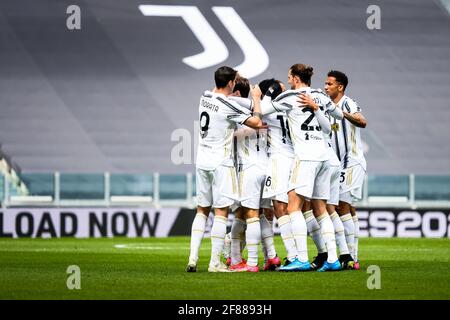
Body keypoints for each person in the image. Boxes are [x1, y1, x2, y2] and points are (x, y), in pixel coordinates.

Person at [186, 66, 266, 272]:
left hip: (201, 160)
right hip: (221, 162)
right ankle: (214, 263)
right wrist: (256, 98)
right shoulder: (227, 105)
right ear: (231, 84)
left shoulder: (205, 97)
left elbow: (218, 88)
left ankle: (193, 258)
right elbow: (257, 122)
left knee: (201, 210)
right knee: (220, 213)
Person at [262, 64, 342, 272]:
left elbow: (261, 111)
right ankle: (333, 259)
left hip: (306, 157)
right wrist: (317, 108)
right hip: (325, 156)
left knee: (292, 208)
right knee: (321, 210)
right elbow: (339, 118)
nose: (288, 80)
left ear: (296, 78)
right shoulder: (321, 96)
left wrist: (258, 95)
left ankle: (302, 259)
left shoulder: (289, 97)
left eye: (289, 77)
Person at [227, 76, 280, 272]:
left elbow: (232, 135)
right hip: (266, 168)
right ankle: (272, 256)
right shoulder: (264, 111)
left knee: (247, 215)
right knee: (262, 215)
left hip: (247, 168)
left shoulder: (234, 111)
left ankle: (247, 262)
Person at [324, 70, 368, 270]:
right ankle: (352, 257)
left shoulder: (347, 103)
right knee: (347, 207)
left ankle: (349, 255)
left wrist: (343, 114)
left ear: (340, 87)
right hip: (337, 164)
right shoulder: (326, 105)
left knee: (341, 205)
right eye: (325, 83)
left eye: (330, 84)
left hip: (351, 162)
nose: (326, 87)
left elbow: (362, 121)